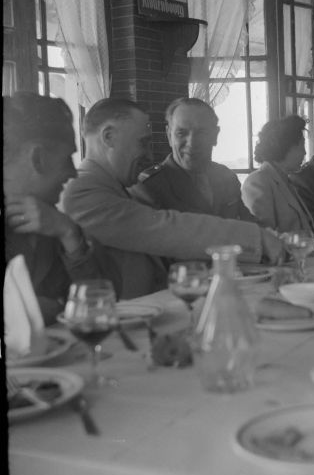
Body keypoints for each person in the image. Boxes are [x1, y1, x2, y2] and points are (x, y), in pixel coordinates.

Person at [61, 98, 284, 299]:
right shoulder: (81, 191)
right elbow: (165, 228)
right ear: (108, 137)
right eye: (142, 143)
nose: (148, 154)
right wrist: (258, 238)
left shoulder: (107, 186)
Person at [4, 93, 121, 325]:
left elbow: (105, 301)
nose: (73, 173)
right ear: (38, 158)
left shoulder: (51, 221)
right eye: (68, 158)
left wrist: (70, 235)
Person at [129, 98, 255, 221]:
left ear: (215, 135)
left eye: (201, 133)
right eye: (181, 133)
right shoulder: (149, 187)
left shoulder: (227, 177)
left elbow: (248, 225)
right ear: (169, 136)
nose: (192, 143)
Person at [241, 116, 314, 234]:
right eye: (301, 145)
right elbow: (263, 234)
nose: (305, 152)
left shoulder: (285, 179)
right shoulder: (257, 182)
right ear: (285, 147)